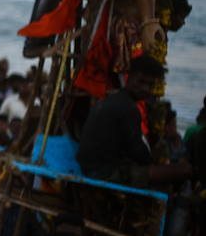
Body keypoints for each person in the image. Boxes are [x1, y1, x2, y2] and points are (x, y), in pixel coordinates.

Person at [79, 56, 191, 187]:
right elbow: (138, 152)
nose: (145, 88)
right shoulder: (129, 108)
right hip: (103, 173)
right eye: (141, 82)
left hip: (91, 167)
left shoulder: (112, 100)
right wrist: (155, 164)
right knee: (184, 170)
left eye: (150, 85)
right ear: (129, 77)